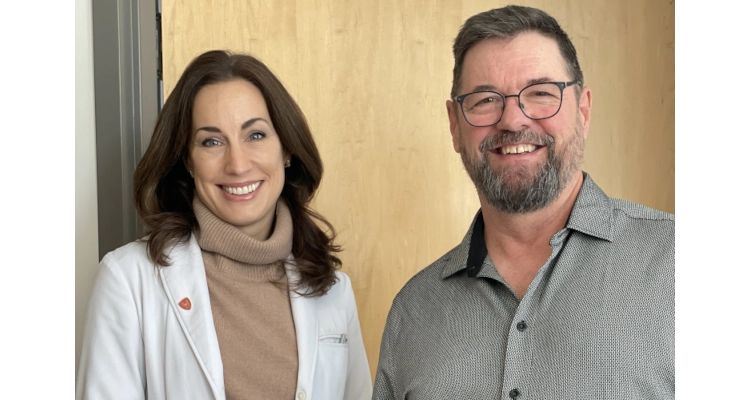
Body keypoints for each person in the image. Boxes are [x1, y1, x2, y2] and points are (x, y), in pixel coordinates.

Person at [372, 5, 673, 400]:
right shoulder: (413, 312)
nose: (513, 120)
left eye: (541, 94)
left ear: (583, 110)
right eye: (485, 100)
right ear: (454, 126)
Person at [76, 50, 372, 400]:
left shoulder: (333, 289)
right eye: (211, 142)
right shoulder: (128, 279)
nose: (237, 164)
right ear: (187, 159)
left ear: (287, 149)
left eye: (256, 135)